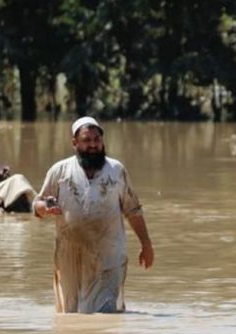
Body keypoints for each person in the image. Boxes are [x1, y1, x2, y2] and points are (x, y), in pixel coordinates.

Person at [33, 117, 154, 314]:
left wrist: (146, 244)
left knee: (106, 314)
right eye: (87, 140)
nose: (93, 145)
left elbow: (133, 210)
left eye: (97, 140)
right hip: (69, 258)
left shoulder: (116, 171)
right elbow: (37, 204)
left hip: (109, 257)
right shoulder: (60, 171)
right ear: (75, 143)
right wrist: (45, 208)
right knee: (70, 315)